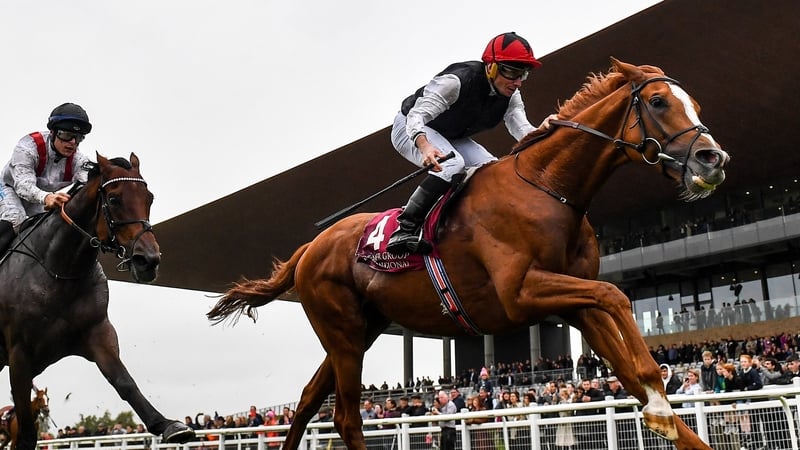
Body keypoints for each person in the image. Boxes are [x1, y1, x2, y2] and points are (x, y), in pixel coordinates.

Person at [386, 32, 555, 254]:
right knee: (452, 165)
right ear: (492, 67)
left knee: (493, 170)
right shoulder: (456, 81)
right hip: (409, 126)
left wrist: (543, 131)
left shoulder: (511, 95)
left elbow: (522, 130)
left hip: (450, 134)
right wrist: (425, 146)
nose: (518, 82)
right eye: (512, 72)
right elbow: (417, 116)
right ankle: (404, 228)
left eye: (523, 74)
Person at [0, 103, 92, 254]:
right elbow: (23, 186)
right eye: (67, 135)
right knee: (15, 218)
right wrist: (47, 197)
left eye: (78, 137)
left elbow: (86, 188)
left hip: (40, 199)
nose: (72, 143)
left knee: (50, 229)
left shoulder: (80, 162)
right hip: (9, 189)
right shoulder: (28, 147)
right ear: (52, 132)